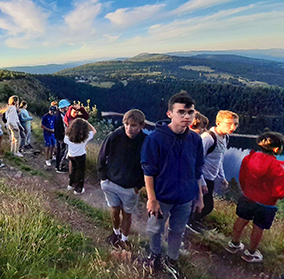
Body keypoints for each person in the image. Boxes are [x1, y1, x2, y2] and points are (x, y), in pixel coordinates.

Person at [141, 91, 204, 278]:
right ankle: (154, 254)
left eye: (190, 112)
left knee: (178, 230)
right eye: (181, 112)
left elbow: (197, 169)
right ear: (170, 114)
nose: (186, 116)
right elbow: (148, 171)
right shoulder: (155, 139)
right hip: (162, 196)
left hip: (185, 197)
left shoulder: (195, 139)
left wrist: (199, 197)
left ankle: (172, 259)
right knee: (155, 228)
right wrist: (152, 198)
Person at [225, 131, 284, 263]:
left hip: (247, 197)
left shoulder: (249, 158)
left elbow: (242, 177)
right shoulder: (278, 167)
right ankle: (250, 254)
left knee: (241, 220)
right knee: (258, 227)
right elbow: (279, 192)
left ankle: (234, 244)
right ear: (276, 149)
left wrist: (246, 190)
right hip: (266, 203)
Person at [97, 109, 147, 247]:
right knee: (114, 210)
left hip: (130, 187)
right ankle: (115, 232)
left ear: (142, 125)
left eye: (133, 125)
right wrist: (103, 179)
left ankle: (124, 240)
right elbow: (101, 157)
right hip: (111, 182)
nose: (129, 128)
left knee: (127, 214)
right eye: (126, 124)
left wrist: (139, 185)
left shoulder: (146, 142)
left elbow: (149, 166)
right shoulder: (114, 136)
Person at [188, 110, 239, 234]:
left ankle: (191, 222)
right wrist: (202, 182)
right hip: (201, 177)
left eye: (236, 124)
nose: (233, 127)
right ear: (218, 123)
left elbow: (219, 159)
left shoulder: (225, 137)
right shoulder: (208, 138)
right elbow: (196, 161)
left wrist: (222, 177)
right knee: (206, 205)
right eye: (229, 124)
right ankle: (188, 223)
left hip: (210, 177)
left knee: (204, 205)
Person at [65, 118, 96, 195]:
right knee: (80, 172)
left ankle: (70, 185)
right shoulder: (85, 137)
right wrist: (87, 123)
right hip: (80, 156)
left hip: (71, 155)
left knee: (73, 170)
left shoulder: (67, 136)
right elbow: (94, 131)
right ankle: (78, 190)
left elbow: (66, 142)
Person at [55, 99, 71, 173]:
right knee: (61, 151)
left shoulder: (59, 114)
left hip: (60, 136)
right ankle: (59, 167)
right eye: (67, 106)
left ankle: (58, 166)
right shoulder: (60, 116)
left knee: (60, 151)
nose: (67, 107)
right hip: (61, 137)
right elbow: (60, 127)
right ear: (64, 107)